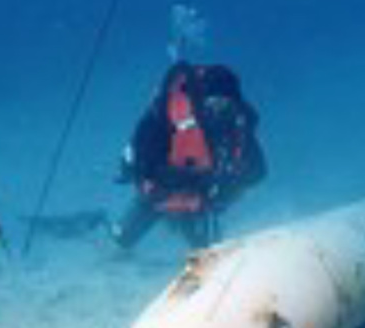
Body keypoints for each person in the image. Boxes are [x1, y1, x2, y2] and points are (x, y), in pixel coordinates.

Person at [110, 61, 266, 250]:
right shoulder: (164, 121)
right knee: (121, 241)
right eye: (213, 106)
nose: (219, 116)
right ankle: (108, 229)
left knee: (207, 251)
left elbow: (256, 172)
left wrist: (209, 198)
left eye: (226, 108)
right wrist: (159, 192)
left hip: (201, 196)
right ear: (200, 104)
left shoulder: (237, 130)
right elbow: (134, 164)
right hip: (162, 191)